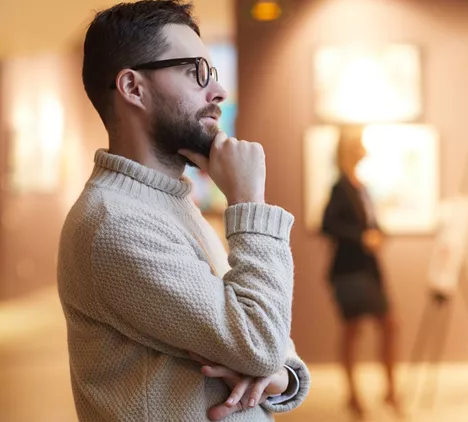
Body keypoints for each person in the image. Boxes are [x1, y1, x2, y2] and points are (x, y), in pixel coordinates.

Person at [56, 1, 309, 421]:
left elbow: (267, 338)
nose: (219, 92)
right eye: (196, 72)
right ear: (133, 88)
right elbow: (261, 340)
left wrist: (280, 375)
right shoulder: (116, 223)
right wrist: (249, 203)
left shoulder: (167, 202)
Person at [321, 125, 403, 420]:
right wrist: (361, 237)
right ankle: (353, 395)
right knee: (353, 330)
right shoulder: (339, 187)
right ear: (348, 149)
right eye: (357, 143)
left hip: (369, 270)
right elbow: (327, 225)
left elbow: (371, 223)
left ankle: (391, 390)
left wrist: (379, 233)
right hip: (349, 271)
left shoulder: (361, 186)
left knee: (389, 325)